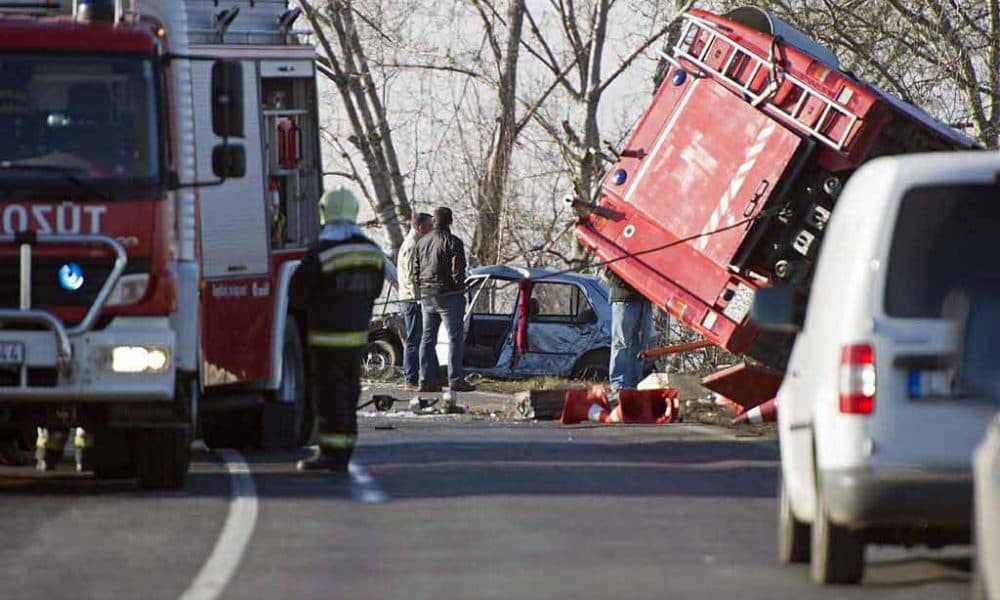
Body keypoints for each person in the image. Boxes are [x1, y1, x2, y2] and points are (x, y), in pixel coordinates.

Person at [289, 187, 385, 472]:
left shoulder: (321, 252)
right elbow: (376, 289)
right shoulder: (372, 252)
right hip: (356, 337)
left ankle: (332, 455)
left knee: (328, 397)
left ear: (324, 214)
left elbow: (297, 294)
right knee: (349, 393)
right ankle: (345, 449)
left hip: (325, 339)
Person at [412, 207, 476, 393]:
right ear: (450, 221)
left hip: (427, 294)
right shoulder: (453, 241)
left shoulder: (421, 241)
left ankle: (425, 379)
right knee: (455, 338)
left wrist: (421, 287)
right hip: (449, 295)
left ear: (433, 222)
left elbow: (415, 269)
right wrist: (459, 287)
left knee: (427, 338)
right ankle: (455, 379)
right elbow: (459, 269)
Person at [396, 212, 438, 391]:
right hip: (413, 299)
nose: (432, 230)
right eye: (430, 226)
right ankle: (410, 379)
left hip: (411, 297)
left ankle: (421, 377)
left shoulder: (413, 243)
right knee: (415, 340)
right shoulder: (413, 246)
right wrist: (421, 296)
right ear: (421, 227)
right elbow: (412, 277)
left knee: (419, 339)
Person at [606, 268, 654, 397]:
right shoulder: (624, 248)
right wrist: (630, 283)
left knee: (641, 345)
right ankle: (619, 385)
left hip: (645, 299)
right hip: (625, 298)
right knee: (622, 343)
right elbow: (610, 271)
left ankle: (635, 384)